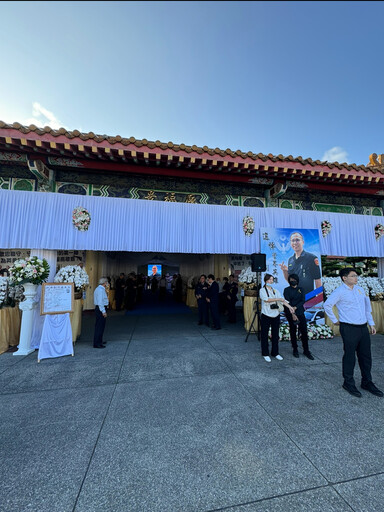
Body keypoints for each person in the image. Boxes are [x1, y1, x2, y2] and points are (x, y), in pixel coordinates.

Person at [324, 267, 383, 398]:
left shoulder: (360, 290)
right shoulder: (339, 291)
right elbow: (327, 305)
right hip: (349, 328)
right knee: (350, 356)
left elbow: (367, 308)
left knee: (366, 356)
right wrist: (334, 320)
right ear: (344, 278)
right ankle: (348, 382)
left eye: (356, 275)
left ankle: (367, 382)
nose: (356, 278)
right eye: (353, 276)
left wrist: (371, 324)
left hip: (363, 328)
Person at [259, 273, 294, 362]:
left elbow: (283, 300)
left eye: (272, 279)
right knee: (264, 334)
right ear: (266, 280)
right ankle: (265, 353)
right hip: (266, 315)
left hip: (275, 315)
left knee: (275, 334)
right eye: (270, 279)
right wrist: (278, 299)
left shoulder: (275, 290)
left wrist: (290, 307)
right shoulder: (262, 290)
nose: (271, 281)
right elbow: (266, 299)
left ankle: (275, 353)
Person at [280, 232, 322, 298]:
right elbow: (290, 281)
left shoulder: (311, 258)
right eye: (293, 240)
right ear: (290, 243)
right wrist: (284, 271)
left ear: (303, 242)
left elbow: (317, 280)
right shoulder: (290, 260)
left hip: (308, 297)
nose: (295, 243)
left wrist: (319, 299)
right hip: (295, 297)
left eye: (297, 240)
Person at [283, 273, 314, 359]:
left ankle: (306, 350)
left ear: (297, 281)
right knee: (293, 331)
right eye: (291, 280)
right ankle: (295, 349)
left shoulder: (301, 289)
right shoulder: (286, 290)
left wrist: (295, 308)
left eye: (294, 280)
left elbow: (302, 300)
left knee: (304, 332)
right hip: (290, 313)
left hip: (300, 312)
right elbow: (287, 302)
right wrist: (293, 313)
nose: (293, 281)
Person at [93, 277, 109, 348]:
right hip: (100, 309)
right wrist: (103, 311)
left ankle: (99, 340)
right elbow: (100, 302)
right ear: (105, 283)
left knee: (101, 326)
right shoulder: (100, 290)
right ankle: (97, 343)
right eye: (107, 282)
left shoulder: (100, 289)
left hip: (100, 308)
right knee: (99, 326)